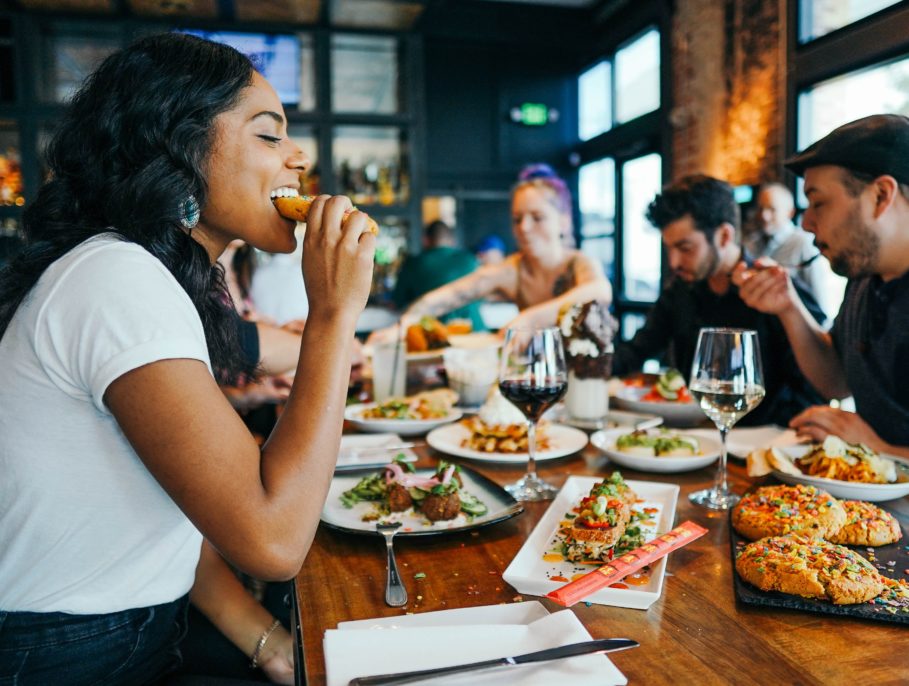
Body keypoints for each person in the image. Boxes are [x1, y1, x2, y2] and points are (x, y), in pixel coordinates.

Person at [0, 32, 375, 683]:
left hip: (127, 628)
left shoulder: (143, 274)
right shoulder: (115, 278)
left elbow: (176, 510)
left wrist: (270, 644)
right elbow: (273, 541)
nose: (298, 157)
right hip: (62, 655)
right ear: (177, 147)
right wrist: (333, 318)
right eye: (267, 134)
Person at [734, 114, 909, 456]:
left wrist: (877, 449)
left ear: (880, 195)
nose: (807, 223)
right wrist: (788, 305)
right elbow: (837, 380)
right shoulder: (864, 279)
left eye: (818, 203)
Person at [611, 174, 826, 427]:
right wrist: (586, 361)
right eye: (669, 249)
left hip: (761, 446)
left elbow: (816, 388)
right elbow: (636, 351)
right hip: (694, 438)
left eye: (685, 248)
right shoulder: (680, 291)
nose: (674, 262)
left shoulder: (776, 291)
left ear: (724, 236)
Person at [370, 163, 611, 340]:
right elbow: (449, 296)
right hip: (540, 381)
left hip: (588, 384)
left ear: (564, 222)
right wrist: (402, 327)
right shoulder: (513, 269)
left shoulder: (579, 263)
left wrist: (529, 319)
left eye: (537, 217)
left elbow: (599, 290)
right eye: (517, 219)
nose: (524, 228)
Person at [744, 182, 844, 319]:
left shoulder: (803, 243)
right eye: (761, 209)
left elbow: (820, 302)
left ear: (789, 213)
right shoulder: (751, 244)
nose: (764, 216)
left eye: (772, 209)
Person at [392, 219, 484, 331]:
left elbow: (398, 301)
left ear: (425, 240)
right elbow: (482, 298)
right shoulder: (470, 259)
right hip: (476, 332)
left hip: (435, 335)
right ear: (452, 240)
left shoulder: (413, 264)